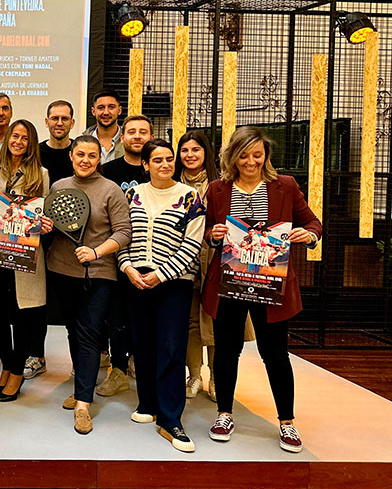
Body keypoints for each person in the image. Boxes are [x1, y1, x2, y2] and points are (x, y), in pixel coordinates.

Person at [203, 127, 321, 453]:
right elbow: (209, 234)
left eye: (258, 155)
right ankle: (224, 413)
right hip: (231, 281)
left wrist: (307, 236)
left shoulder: (285, 186)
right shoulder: (217, 188)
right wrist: (214, 234)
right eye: (244, 156)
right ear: (232, 156)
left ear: (266, 155)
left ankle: (287, 421)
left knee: (275, 354)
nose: (251, 162)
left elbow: (313, 224)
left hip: (271, 282)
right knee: (227, 351)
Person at [117, 138, 206, 452]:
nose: (166, 164)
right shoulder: (132, 195)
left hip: (175, 282)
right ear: (145, 165)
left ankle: (171, 419)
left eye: (170, 159)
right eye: (157, 160)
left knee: (171, 348)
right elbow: (122, 236)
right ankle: (147, 403)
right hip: (135, 278)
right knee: (142, 344)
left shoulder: (190, 197)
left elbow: (192, 245)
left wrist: (161, 274)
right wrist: (127, 267)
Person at [46, 135, 131, 434]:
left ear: (99, 159)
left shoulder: (111, 190)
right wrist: (45, 226)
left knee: (89, 334)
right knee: (73, 330)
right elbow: (56, 225)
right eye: (80, 154)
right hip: (61, 270)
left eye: (92, 155)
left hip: (98, 273)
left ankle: (83, 403)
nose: (85, 160)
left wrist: (96, 252)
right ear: (71, 156)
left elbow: (123, 233)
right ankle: (82, 384)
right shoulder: (59, 186)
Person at [0, 120, 54, 402]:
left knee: (22, 315)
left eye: (25, 137)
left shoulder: (41, 174)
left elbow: (44, 212)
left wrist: (45, 223)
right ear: (7, 138)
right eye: (15, 136)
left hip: (25, 255)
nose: (18, 141)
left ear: (31, 142)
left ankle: (18, 372)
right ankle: (8, 365)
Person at [97, 114, 154, 398]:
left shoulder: (159, 169)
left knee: (144, 315)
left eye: (143, 132)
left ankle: (140, 364)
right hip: (116, 255)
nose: (137, 136)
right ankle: (117, 369)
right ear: (122, 137)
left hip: (152, 257)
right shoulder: (108, 170)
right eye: (132, 131)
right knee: (115, 315)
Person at [27, 99, 77, 380]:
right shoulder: (35, 154)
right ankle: (36, 355)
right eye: (54, 118)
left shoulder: (79, 153)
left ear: (72, 122)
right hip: (37, 239)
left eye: (64, 118)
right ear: (46, 122)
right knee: (37, 301)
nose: (59, 123)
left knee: (71, 305)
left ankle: (79, 364)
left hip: (71, 240)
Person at [175, 130, 222, 400]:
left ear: (206, 153)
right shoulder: (171, 182)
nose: (190, 155)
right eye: (185, 150)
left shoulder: (219, 184)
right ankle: (194, 375)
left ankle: (216, 377)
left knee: (214, 318)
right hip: (182, 259)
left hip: (214, 258)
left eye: (196, 150)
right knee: (190, 320)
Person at [84, 90, 124, 163]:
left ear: (119, 110)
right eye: (101, 107)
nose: (106, 112)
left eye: (111, 107)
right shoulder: (83, 142)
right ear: (93, 111)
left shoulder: (128, 142)